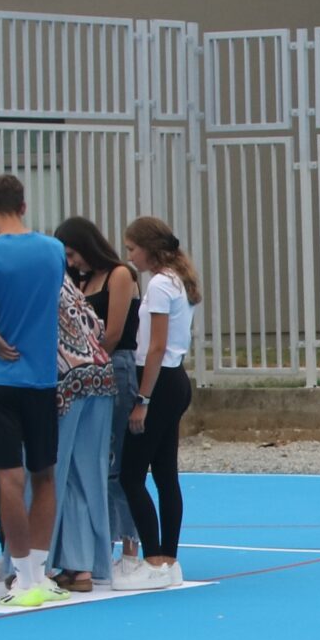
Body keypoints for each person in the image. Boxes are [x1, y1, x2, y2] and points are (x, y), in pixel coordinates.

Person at [0, 174, 70, 609]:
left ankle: (22, 577)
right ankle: (40, 572)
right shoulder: (53, 249)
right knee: (44, 474)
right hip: (40, 376)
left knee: (8, 477)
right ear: (23, 205)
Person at [116, 217, 201, 590]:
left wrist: (143, 399)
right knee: (165, 475)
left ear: (149, 249)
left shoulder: (160, 285)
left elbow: (156, 346)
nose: (130, 257)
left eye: (132, 249)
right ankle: (169, 559)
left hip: (159, 381)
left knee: (131, 475)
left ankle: (154, 558)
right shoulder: (177, 280)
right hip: (174, 379)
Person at [52, 217, 134, 590]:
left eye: (73, 254)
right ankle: (86, 559)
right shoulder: (77, 282)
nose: (71, 262)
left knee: (109, 468)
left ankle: (126, 547)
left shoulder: (118, 275)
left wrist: (85, 358)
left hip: (105, 369)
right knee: (86, 471)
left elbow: (112, 333)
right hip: (93, 372)